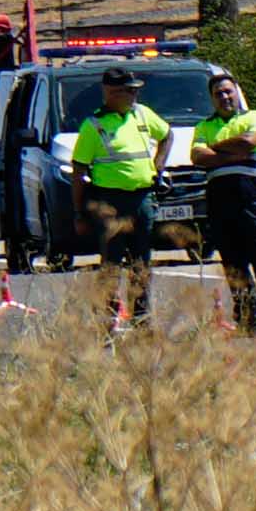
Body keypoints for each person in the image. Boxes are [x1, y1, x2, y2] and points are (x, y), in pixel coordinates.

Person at [191, 73, 256, 338]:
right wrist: (231, 150)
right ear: (212, 99)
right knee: (233, 263)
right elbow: (198, 156)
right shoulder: (204, 126)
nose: (225, 97)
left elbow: (250, 142)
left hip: (250, 197)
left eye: (228, 92)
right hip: (220, 199)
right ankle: (249, 318)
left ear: (236, 92)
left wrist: (216, 150)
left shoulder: (253, 118)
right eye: (218, 94)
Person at [70, 64, 171, 326]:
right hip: (110, 203)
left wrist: (159, 165)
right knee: (112, 263)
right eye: (128, 91)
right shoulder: (93, 126)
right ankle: (108, 317)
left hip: (142, 198)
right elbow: (78, 170)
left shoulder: (142, 115)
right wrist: (79, 212)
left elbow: (167, 135)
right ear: (111, 93)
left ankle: (142, 318)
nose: (134, 96)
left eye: (134, 90)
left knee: (141, 263)